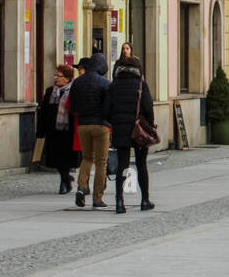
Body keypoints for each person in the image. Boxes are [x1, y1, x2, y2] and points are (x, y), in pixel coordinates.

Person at [105, 53, 155, 213]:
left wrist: (115, 121)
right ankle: (144, 200)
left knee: (122, 165)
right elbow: (148, 107)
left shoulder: (113, 86)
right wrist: (150, 124)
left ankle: (119, 201)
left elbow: (106, 110)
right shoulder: (141, 85)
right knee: (141, 165)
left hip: (120, 129)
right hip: (139, 129)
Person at [68, 52, 112, 209]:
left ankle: (81, 187)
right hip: (101, 125)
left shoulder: (77, 82)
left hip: (82, 125)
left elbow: (72, 106)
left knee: (86, 158)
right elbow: (109, 107)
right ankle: (97, 198)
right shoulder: (105, 83)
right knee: (101, 162)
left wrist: (81, 114)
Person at [37, 64, 78, 194]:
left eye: (59, 76)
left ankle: (64, 182)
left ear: (68, 78)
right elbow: (43, 112)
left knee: (65, 158)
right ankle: (66, 179)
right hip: (53, 130)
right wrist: (41, 130)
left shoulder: (73, 91)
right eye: (55, 75)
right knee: (56, 159)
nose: (56, 78)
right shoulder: (50, 91)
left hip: (68, 131)